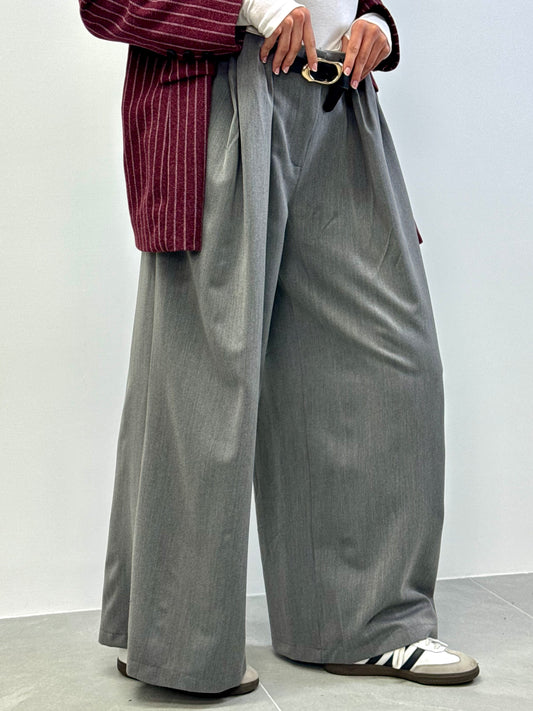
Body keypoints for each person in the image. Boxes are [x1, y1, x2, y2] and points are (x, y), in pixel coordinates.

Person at [79, 0, 480, 697]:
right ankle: (179, 642)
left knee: (392, 363)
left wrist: (374, 23)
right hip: (219, 91)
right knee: (206, 382)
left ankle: (368, 623)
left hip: (341, 99)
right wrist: (249, 8)